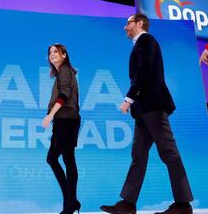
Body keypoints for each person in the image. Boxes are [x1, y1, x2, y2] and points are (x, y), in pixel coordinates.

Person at [100, 13, 194, 214]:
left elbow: (144, 70)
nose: (125, 27)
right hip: (142, 109)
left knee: (168, 152)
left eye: (128, 23)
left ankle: (183, 204)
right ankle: (128, 204)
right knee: (138, 155)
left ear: (139, 23)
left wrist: (128, 99)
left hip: (152, 105)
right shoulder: (139, 44)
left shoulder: (147, 40)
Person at [42, 44, 81, 214]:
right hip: (62, 121)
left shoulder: (65, 70)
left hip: (67, 120)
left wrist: (50, 115)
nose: (52, 55)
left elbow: (64, 94)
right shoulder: (60, 73)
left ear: (64, 55)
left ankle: (70, 202)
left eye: (56, 52)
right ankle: (70, 200)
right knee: (52, 158)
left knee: (68, 160)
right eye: (50, 52)